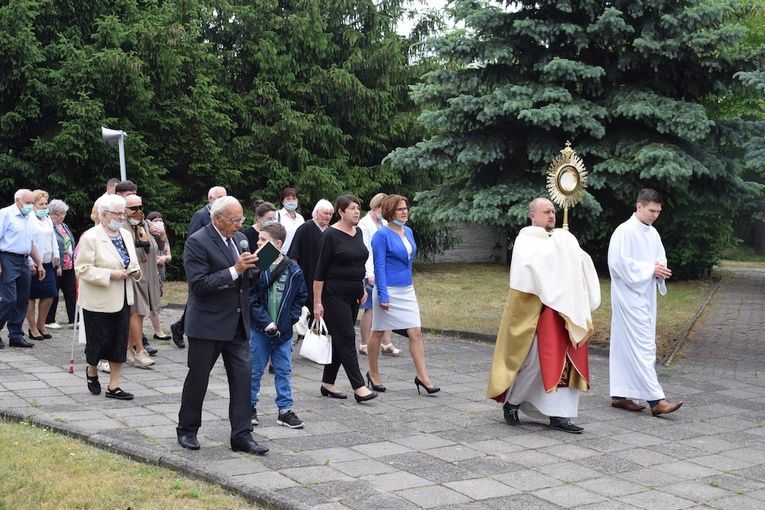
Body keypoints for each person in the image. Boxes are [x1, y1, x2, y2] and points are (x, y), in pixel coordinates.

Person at [486, 198, 600, 433]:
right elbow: (532, 271)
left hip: (566, 311)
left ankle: (560, 416)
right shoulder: (526, 239)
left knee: (567, 361)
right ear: (533, 216)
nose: (551, 216)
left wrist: (567, 246)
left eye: (553, 212)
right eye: (546, 212)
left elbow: (581, 264)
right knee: (535, 364)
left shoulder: (561, 239)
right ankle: (513, 402)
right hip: (537, 311)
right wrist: (561, 247)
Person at [176, 196, 268, 454]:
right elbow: (199, 285)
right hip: (207, 323)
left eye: (242, 219)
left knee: (242, 379)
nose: (239, 225)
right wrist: (235, 270)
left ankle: (242, 435)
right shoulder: (197, 241)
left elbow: (246, 277)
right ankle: (187, 430)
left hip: (237, 323)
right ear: (217, 218)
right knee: (198, 379)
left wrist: (256, 267)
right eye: (234, 220)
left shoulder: (239, 240)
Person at [608, 188, 683, 417]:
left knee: (625, 345)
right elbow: (618, 264)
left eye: (658, 211)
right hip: (628, 296)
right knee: (644, 347)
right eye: (651, 210)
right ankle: (655, 400)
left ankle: (620, 394)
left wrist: (659, 269)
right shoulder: (624, 231)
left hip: (645, 296)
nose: (655, 215)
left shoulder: (653, 233)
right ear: (639, 206)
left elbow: (658, 258)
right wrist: (650, 269)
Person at [366, 195, 439, 395]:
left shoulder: (408, 231)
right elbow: (379, 267)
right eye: (400, 209)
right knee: (378, 331)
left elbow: (408, 261)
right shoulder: (381, 235)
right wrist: (383, 295)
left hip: (407, 289)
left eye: (406, 208)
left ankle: (423, 377)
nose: (405, 212)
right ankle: (373, 373)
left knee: (415, 332)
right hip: (387, 289)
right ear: (390, 212)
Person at [75, 194, 142, 399]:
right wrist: (109, 275)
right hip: (98, 299)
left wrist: (135, 272)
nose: (122, 217)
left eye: (123, 213)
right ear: (104, 215)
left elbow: (132, 261)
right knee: (98, 342)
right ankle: (92, 370)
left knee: (118, 341)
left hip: (122, 296)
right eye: (118, 213)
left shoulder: (126, 235)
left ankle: (114, 386)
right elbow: (82, 269)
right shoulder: (91, 237)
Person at [313, 195, 377, 404]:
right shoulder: (329, 235)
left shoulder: (357, 232)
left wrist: (361, 287)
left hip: (354, 295)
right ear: (340, 212)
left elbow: (358, 263)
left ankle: (328, 383)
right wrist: (317, 302)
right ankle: (359, 387)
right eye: (351, 208)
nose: (357, 212)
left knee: (340, 339)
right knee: (348, 338)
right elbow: (319, 272)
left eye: (358, 208)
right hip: (334, 295)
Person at [249, 222, 308, 429]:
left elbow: (301, 297)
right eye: (259, 239)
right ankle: (249, 407)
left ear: (278, 243)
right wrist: (265, 322)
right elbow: (250, 297)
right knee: (255, 370)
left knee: (283, 370)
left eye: (263, 240)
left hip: (282, 332)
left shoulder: (293, 269)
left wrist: (288, 322)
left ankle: (284, 410)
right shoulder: (257, 264)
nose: (258, 242)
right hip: (259, 330)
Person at [170, 186, 228, 349]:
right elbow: (194, 242)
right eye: (219, 197)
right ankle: (180, 328)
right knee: (196, 299)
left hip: (219, 266)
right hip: (204, 267)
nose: (223, 199)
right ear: (210, 199)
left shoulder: (225, 216)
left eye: (225, 196)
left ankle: (179, 326)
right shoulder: (201, 215)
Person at [123, 195, 165, 368]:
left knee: (142, 311)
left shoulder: (146, 225)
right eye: (133, 208)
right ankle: (140, 350)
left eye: (140, 206)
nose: (138, 211)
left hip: (149, 274)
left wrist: (161, 236)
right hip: (134, 274)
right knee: (137, 312)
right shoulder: (123, 227)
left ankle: (127, 349)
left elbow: (159, 248)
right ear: (125, 211)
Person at [0, 189, 45, 349]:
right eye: (28, 202)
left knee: (22, 299)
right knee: (9, 299)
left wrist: (39, 263)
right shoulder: (5, 214)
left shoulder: (29, 218)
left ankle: (16, 334)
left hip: (24, 260)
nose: (30, 205)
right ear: (17, 200)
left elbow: (31, 244)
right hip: (7, 258)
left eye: (32, 202)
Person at [357, 193, 396, 356]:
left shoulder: (385, 223)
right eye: (384, 208)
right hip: (370, 271)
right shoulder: (364, 224)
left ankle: (386, 343)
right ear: (376, 207)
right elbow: (365, 250)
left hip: (385, 271)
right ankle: (364, 343)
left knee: (387, 307)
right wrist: (370, 274)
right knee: (370, 310)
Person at [287, 199, 333, 316]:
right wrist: (297, 277)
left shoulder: (331, 231)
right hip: (307, 276)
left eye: (330, 214)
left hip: (326, 279)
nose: (328, 217)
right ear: (317, 213)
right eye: (325, 213)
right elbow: (294, 255)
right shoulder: (305, 228)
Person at [24, 190, 60, 341]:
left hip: (47, 263)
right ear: (33, 205)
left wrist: (57, 257)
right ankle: (32, 328)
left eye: (46, 203)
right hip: (33, 263)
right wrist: (31, 263)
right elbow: (28, 242)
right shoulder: (28, 219)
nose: (44, 206)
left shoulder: (47, 219)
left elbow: (53, 239)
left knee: (50, 294)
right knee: (30, 296)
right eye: (41, 204)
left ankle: (41, 324)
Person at [44, 199, 77, 329]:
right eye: (59, 214)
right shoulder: (48, 226)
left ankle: (74, 319)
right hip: (56, 265)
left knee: (71, 292)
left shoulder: (64, 226)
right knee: (54, 293)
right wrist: (57, 265)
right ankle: (49, 319)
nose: (62, 216)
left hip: (69, 265)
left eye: (64, 214)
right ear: (51, 214)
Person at [146, 211, 171, 340]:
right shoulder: (146, 235)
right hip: (149, 271)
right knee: (151, 301)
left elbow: (169, 255)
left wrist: (164, 258)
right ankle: (158, 331)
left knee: (156, 300)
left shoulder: (164, 236)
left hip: (160, 272)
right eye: (155, 220)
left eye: (160, 220)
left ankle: (158, 331)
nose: (158, 222)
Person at [276, 187, 304, 255]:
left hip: (297, 256)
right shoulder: (277, 215)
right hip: (281, 255)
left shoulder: (300, 218)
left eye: (294, 198)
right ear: (283, 202)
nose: (291, 201)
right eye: (288, 199)